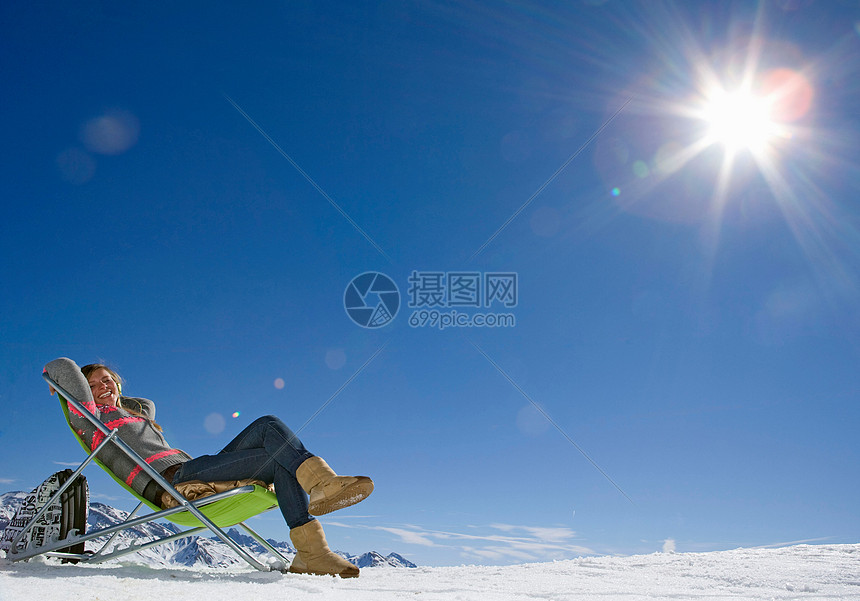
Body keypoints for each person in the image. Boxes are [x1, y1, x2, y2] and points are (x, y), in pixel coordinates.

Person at [44, 357, 373, 578]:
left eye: (110, 381)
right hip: (175, 482)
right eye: (95, 383)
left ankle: (315, 536)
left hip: (196, 469)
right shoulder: (92, 422)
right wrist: (69, 386)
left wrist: (117, 397)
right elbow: (62, 366)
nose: (105, 386)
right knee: (280, 458)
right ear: (83, 392)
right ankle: (315, 536)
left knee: (268, 425)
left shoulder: (136, 416)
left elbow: (146, 405)